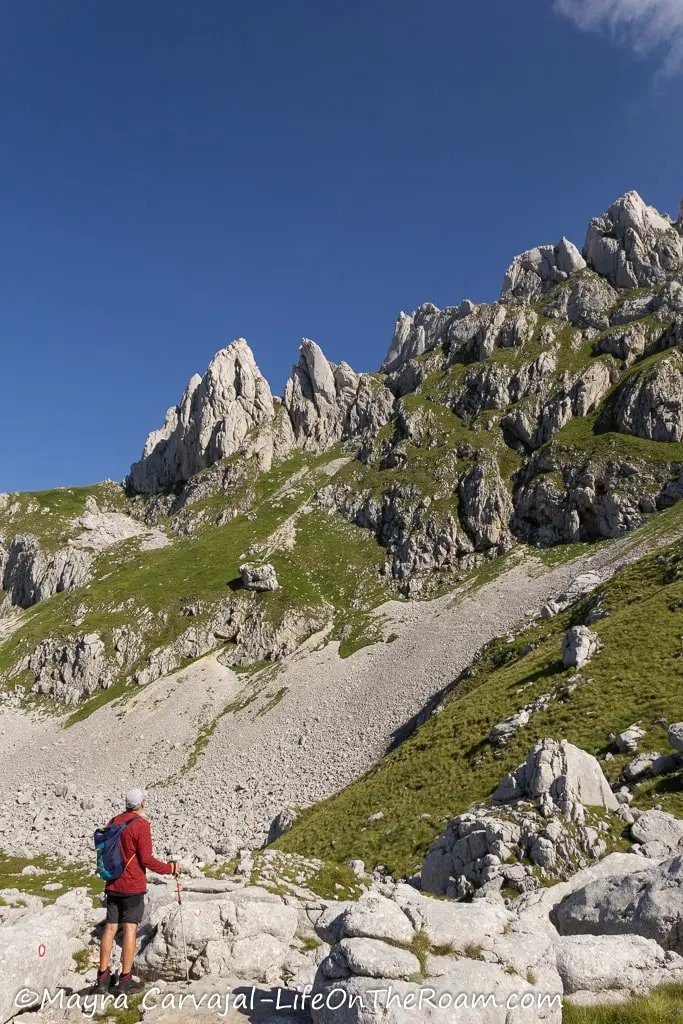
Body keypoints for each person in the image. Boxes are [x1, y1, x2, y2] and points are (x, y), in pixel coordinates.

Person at [96, 787, 180, 994]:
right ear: (142, 804)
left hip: (112, 884)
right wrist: (170, 868)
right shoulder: (141, 825)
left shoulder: (113, 821)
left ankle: (102, 979)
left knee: (110, 928)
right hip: (132, 885)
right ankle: (125, 980)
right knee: (131, 929)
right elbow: (147, 859)